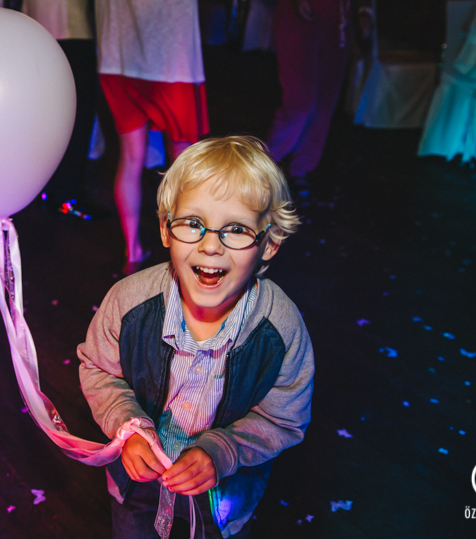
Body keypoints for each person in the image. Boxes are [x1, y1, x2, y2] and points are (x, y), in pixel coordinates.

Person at [78, 135, 313, 539]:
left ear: (269, 244)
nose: (210, 245)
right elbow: (99, 369)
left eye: (236, 229)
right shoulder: (128, 301)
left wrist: (224, 450)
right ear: (166, 230)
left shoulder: (281, 330)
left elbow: (283, 417)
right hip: (136, 486)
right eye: (193, 223)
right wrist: (127, 426)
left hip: (222, 502)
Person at [90, 0, 235, 274]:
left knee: (131, 157)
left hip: (117, 54)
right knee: (185, 166)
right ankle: (186, 258)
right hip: (168, 58)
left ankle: (133, 250)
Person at [263, 0, 383, 183]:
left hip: (338, 29)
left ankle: (301, 169)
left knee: (325, 104)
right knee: (300, 102)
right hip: (299, 23)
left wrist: (363, 12)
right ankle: (262, 168)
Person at [19, 0, 96, 218]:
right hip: (68, 21)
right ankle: (69, 196)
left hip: (40, 18)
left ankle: (48, 186)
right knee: (76, 116)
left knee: (48, 114)